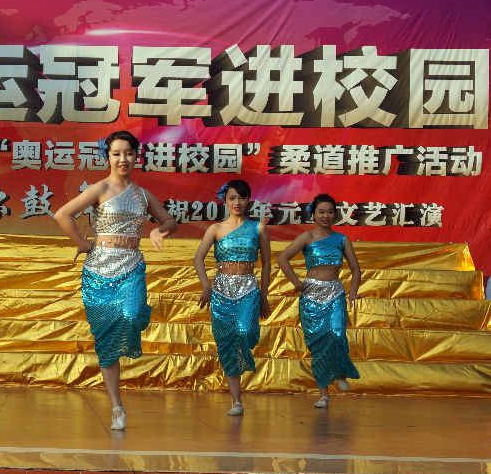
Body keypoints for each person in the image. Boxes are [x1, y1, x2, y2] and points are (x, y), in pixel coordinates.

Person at [54, 131, 178, 430]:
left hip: (131, 266)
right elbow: (62, 214)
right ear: (107, 156)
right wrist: (82, 244)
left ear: (136, 156)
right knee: (106, 337)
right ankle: (116, 406)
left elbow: (170, 221)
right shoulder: (100, 188)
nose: (123, 159)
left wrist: (159, 230)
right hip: (98, 270)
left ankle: (118, 392)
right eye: (117, 154)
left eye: (129, 153)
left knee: (131, 315)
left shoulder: (143, 195)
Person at [193, 179, 271, 416]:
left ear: (249, 200)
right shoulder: (215, 229)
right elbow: (198, 258)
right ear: (225, 201)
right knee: (227, 343)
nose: (237, 202)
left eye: (242, 198)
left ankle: (239, 385)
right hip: (221, 291)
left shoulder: (258, 228)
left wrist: (264, 296)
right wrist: (206, 286)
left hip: (248, 289)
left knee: (245, 332)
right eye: (232, 198)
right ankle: (237, 401)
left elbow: (267, 263)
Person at [277, 193, 361, 408]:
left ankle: (340, 372)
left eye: (330, 212)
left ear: (335, 214)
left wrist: (352, 292)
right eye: (321, 212)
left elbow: (355, 268)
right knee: (318, 344)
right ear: (313, 214)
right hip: (311, 296)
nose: (326, 216)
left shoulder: (342, 239)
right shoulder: (307, 237)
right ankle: (324, 394)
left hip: (335, 294)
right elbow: (282, 258)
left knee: (337, 335)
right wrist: (297, 283)